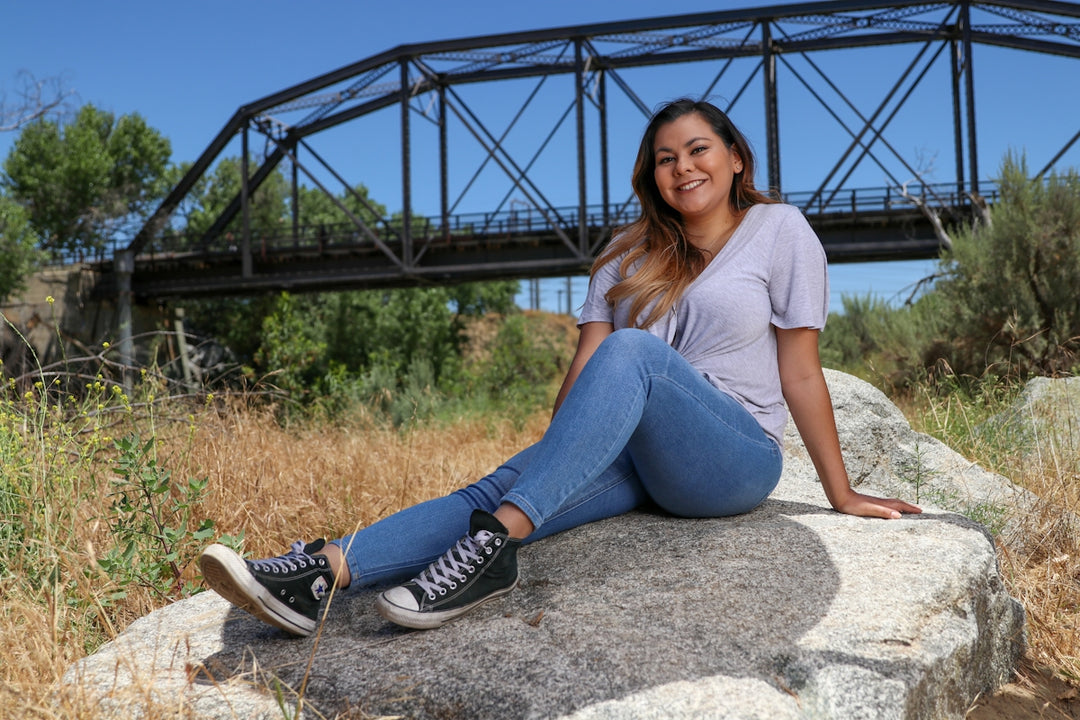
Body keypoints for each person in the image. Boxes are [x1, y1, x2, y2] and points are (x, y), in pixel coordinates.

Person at [199, 97, 922, 637]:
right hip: (642, 465)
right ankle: (319, 573)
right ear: (652, 175)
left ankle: (494, 548)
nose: (683, 167)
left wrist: (842, 493)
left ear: (736, 159)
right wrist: (550, 460)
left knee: (634, 352)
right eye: (666, 158)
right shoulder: (623, 254)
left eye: (699, 149)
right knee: (497, 484)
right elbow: (583, 372)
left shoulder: (779, 230)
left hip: (732, 460)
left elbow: (800, 369)